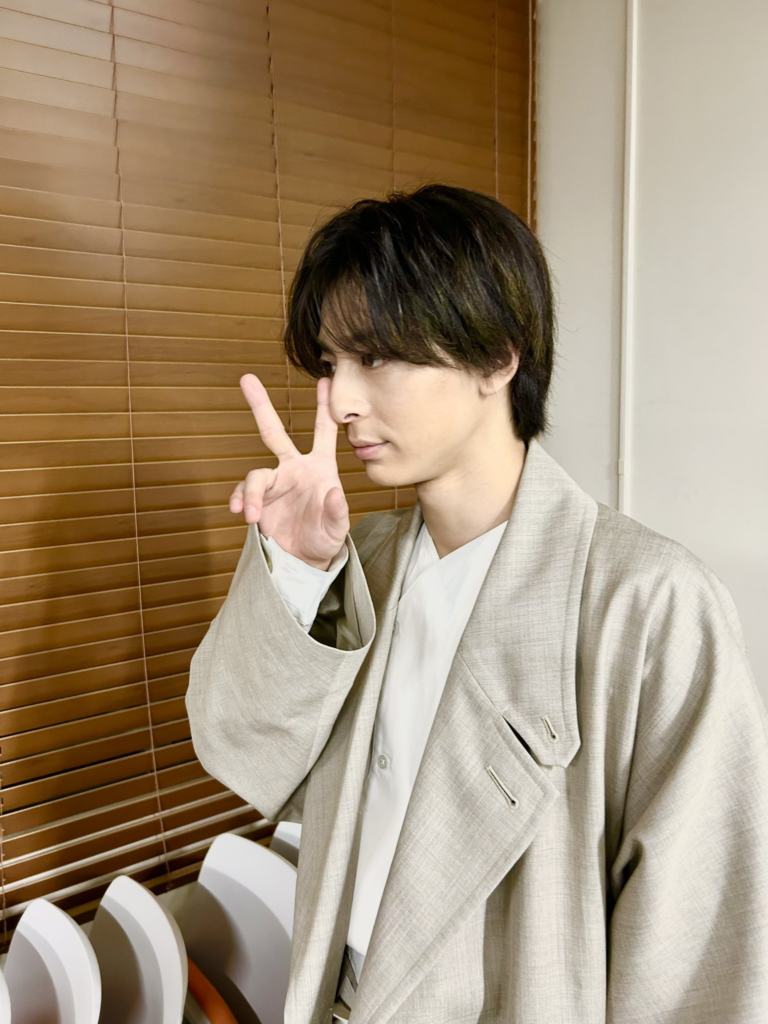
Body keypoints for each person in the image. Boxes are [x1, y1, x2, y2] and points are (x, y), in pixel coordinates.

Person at [186, 184, 768, 1024]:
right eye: (331, 364)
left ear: (498, 357)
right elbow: (240, 750)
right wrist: (301, 568)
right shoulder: (362, 561)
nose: (342, 401)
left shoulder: (649, 604)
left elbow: (700, 954)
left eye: (375, 357)